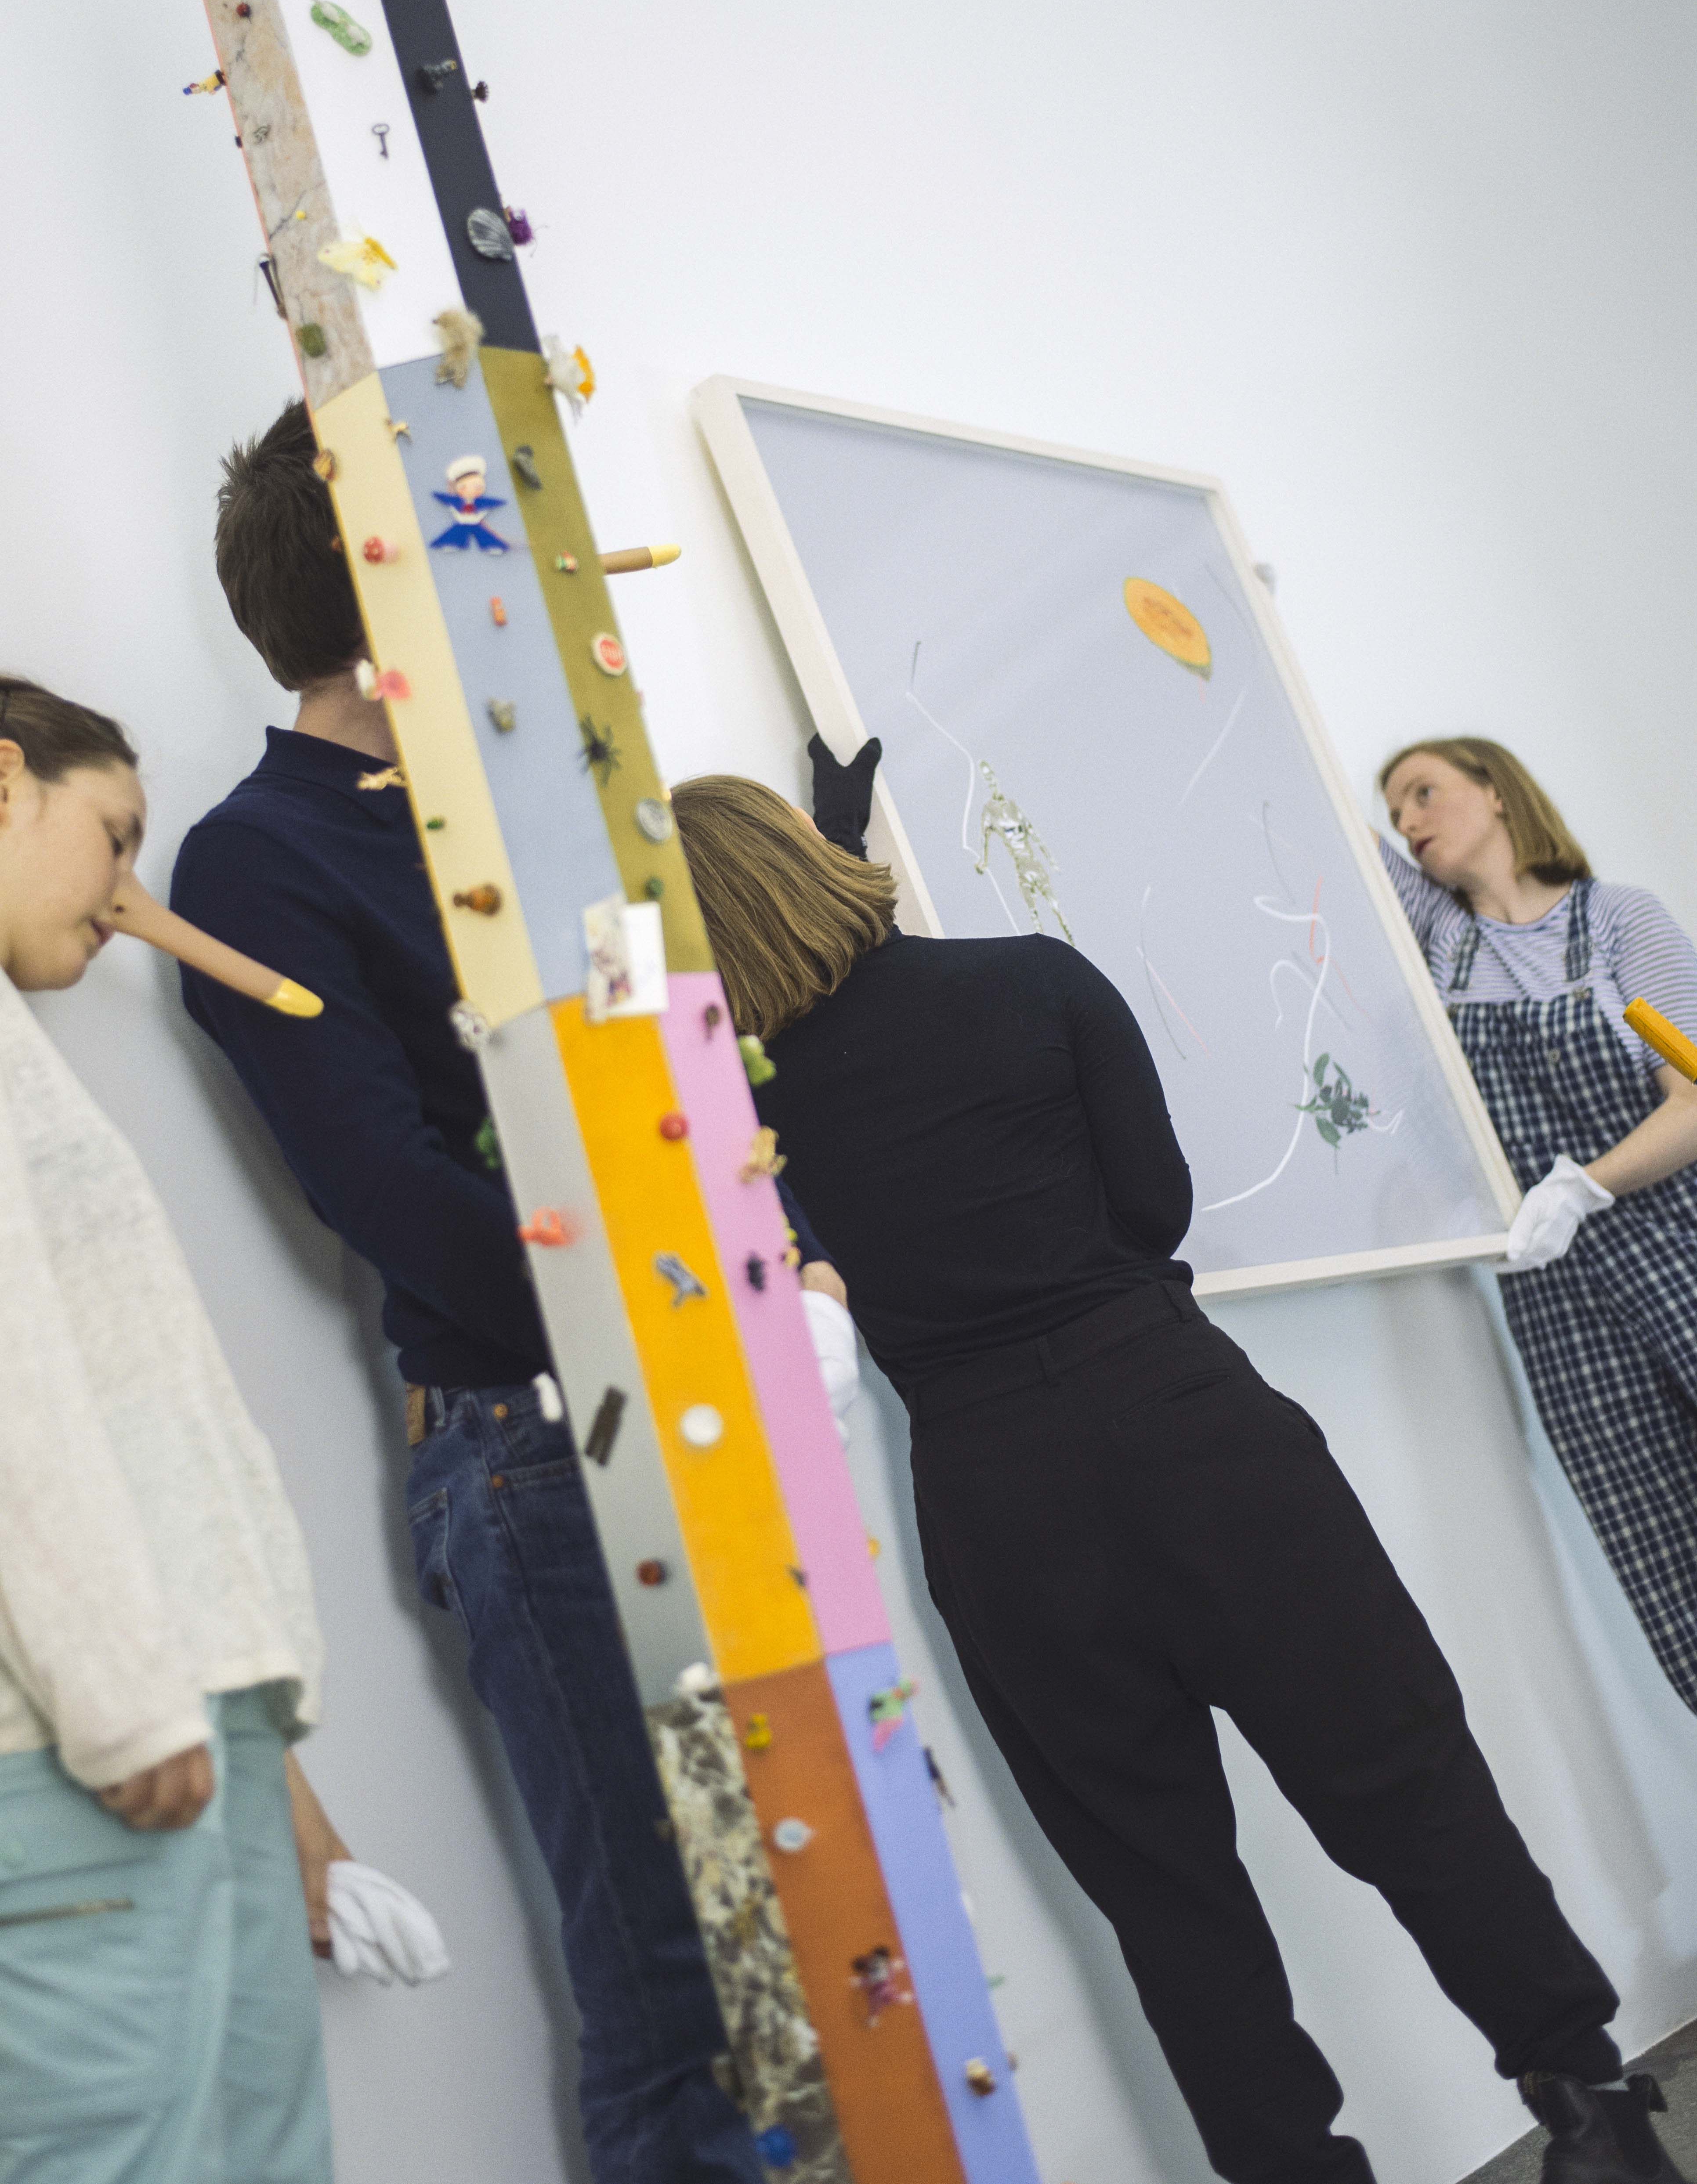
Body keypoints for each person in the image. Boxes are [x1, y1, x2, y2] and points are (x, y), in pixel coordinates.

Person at [670, 767, 1686, 2184]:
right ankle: (1590, 2111)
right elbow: (1152, 1204)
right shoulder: (1032, 980)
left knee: (1162, 1888)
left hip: (991, 1495)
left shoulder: (738, 1121)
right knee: (1407, 1778)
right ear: (811, 853)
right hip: (1185, 1421)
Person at [170, 401, 841, 2184]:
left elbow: (682, 1079)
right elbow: (386, 1184)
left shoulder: (531, 812)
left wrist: (781, 1261)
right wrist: (672, 1298)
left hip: (707, 1386)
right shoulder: (256, 859)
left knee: (820, 1950)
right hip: (543, 1453)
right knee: (686, 1998)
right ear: (383, 588)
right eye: (466, 551)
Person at [0, 674, 333, 2184]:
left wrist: (264, 1745)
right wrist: (126, 1700)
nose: (129, 899)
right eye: (114, 837)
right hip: (86, 1738)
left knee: (262, 2150)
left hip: (187, 1706)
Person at [1378, 737, 1697, 1714]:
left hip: (1678, 1245)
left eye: (1424, 792)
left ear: (1496, 791)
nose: (1409, 822)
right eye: (1395, 813)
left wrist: (1584, 1187)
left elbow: (1694, 1100)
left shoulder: (1620, 921)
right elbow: (1319, 821)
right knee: (1665, 1551)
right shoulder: (1444, 940)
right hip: (1559, 1304)